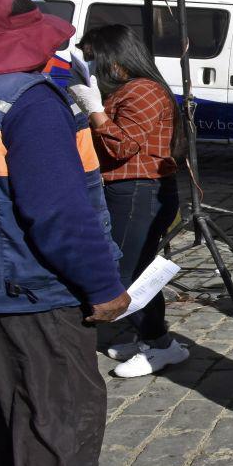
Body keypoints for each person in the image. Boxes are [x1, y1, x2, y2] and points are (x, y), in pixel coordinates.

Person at [0, 0, 130, 466]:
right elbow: (60, 214)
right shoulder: (30, 103)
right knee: (57, 430)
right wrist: (103, 286)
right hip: (34, 293)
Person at [68, 24, 190, 377]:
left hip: (140, 189)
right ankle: (153, 339)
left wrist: (95, 111)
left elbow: (123, 145)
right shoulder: (128, 89)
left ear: (114, 58)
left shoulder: (143, 90)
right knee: (133, 267)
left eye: (93, 58)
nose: (90, 65)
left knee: (128, 272)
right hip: (129, 187)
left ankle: (159, 346)